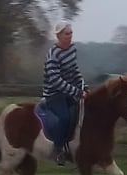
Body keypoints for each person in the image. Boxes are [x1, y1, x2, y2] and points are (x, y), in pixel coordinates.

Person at [42, 21, 88, 165]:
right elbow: (56, 80)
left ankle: (73, 147)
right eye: (66, 34)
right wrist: (76, 92)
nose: (69, 36)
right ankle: (57, 149)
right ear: (59, 36)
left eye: (71, 33)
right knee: (64, 117)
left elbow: (75, 71)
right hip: (54, 94)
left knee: (79, 112)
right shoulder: (53, 55)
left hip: (68, 92)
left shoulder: (72, 49)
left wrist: (83, 85)